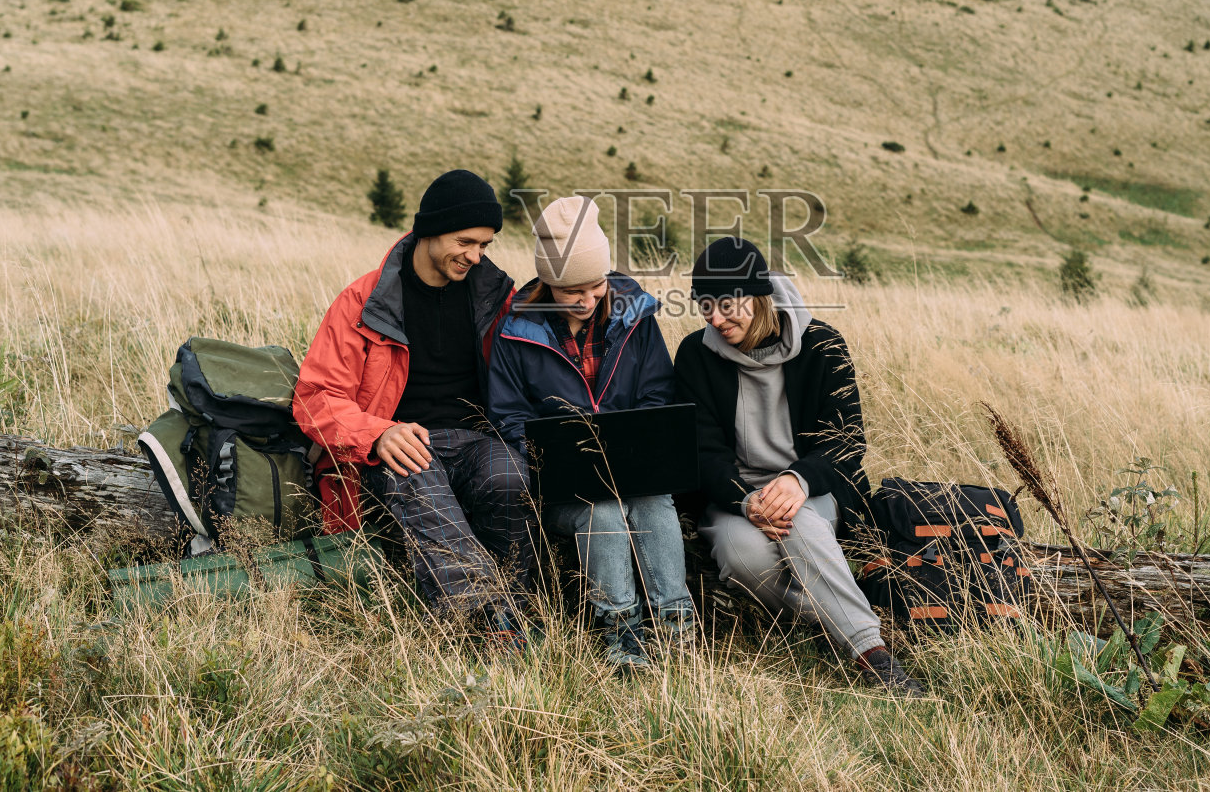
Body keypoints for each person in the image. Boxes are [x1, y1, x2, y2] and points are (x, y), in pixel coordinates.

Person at [673, 237, 925, 697]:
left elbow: (847, 441)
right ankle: (833, 619)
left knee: (802, 528)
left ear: (760, 297)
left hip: (812, 489)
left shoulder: (823, 344)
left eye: (727, 304)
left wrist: (798, 479)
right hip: (733, 496)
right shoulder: (696, 355)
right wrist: (747, 500)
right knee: (742, 556)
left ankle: (873, 654)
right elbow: (699, 452)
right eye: (704, 304)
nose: (714, 317)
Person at [292, 169, 532, 649]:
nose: (475, 256)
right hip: (397, 441)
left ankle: (518, 606)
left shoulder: (497, 299)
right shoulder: (364, 301)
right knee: (417, 474)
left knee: (511, 477)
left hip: (477, 440)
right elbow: (315, 397)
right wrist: (377, 434)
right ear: (429, 229)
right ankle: (490, 623)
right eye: (465, 241)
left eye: (484, 245)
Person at [489, 195, 695, 670]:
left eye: (596, 286)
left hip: (636, 469)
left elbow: (657, 395)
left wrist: (638, 444)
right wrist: (553, 456)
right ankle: (622, 634)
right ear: (547, 283)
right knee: (601, 509)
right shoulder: (515, 332)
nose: (587, 301)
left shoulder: (635, 317)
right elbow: (508, 417)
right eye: (572, 292)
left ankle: (676, 628)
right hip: (565, 483)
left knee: (653, 502)